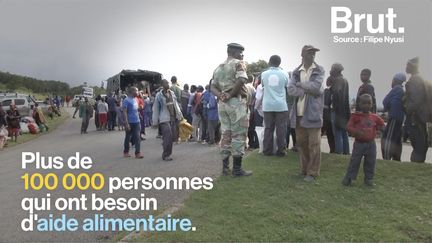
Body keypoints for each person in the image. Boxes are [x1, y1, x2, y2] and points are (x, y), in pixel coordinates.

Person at [211, 42, 252, 177]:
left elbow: (212, 87)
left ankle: (225, 168)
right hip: (236, 103)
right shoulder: (238, 63)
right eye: (241, 53)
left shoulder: (218, 68)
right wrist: (230, 94)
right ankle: (237, 169)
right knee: (238, 135)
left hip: (222, 105)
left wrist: (222, 96)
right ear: (235, 53)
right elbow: (241, 79)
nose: (242, 55)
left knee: (226, 135)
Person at [287, 45, 325, 182]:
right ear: (302, 54)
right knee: (302, 143)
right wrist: (305, 89)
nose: (313, 55)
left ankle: (313, 172)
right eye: (310, 52)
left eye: (314, 52)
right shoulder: (296, 72)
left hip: (313, 113)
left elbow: (316, 88)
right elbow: (290, 90)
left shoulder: (319, 70)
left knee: (314, 143)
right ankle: (305, 169)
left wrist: (301, 85)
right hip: (298, 113)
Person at [342, 94, 385, 186]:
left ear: (372, 104)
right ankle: (349, 178)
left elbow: (382, 124)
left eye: (369, 103)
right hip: (359, 144)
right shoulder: (355, 116)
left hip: (371, 144)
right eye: (364, 103)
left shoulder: (375, 117)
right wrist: (356, 132)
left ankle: (369, 179)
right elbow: (348, 127)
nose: (366, 105)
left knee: (371, 162)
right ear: (359, 104)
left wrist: (381, 129)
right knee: (355, 161)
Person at [261, 55, 290, 156]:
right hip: (281, 105)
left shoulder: (264, 74)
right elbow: (288, 87)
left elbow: (263, 86)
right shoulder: (285, 74)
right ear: (279, 63)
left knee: (268, 128)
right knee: (281, 128)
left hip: (268, 105)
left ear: (269, 62)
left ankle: (267, 150)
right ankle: (281, 150)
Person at [404, 57, 429, 162]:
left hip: (416, 119)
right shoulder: (419, 78)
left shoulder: (415, 79)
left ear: (413, 67)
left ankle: (415, 166)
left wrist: (408, 111)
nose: (406, 67)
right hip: (420, 118)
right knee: (421, 146)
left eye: (407, 65)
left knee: (419, 147)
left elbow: (415, 100)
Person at [152, 79, 183, 161]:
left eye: (168, 83)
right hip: (164, 118)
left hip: (172, 118)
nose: (168, 84)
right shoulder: (159, 95)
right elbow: (156, 109)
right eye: (166, 83)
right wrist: (155, 121)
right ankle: (166, 155)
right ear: (162, 85)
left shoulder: (172, 93)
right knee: (168, 136)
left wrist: (180, 115)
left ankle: (167, 149)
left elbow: (176, 105)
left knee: (171, 137)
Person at [381, 73, 406, 161]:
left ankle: (387, 158)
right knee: (397, 138)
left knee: (388, 138)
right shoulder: (402, 90)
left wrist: (386, 109)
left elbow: (385, 101)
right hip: (400, 118)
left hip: (394, 117)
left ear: (394, 80)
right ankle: (397, 158)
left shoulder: (396, 89)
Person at [329, 63, 350, 154]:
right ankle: (346, 152)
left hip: (337, 110)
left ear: (335, 70)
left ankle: (339, 152)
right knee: (344, 133)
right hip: (344, 110)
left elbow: (336, 93)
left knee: (337, 133)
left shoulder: (337, 80)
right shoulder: (345, 80)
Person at [123, 86, 143, 158]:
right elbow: (124, 112)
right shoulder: (126, 100)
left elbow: (135, 109)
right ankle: (126, 152)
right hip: (129, 122)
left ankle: (137, 153)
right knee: (128, 137)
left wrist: (139, 112)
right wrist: (126, 123)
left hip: (137, 121)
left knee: (137, 137)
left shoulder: (136, 99)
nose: (138, 92)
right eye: (136, 91)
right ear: (132, 91)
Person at [322, 77, 335, 153]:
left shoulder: (326, 91)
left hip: (324, 113)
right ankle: (333, 149)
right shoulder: (333, 91)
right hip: (330, 114)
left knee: (321, 131)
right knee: (330, 134)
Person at [207, 80, 220, 145]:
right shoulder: (219, 94)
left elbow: (211, 105)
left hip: (212, 114)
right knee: (217, 128)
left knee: (211, 129)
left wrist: (207, 105)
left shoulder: (212, 95)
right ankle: (217, 141)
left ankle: (212, 141)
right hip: (218, 114)